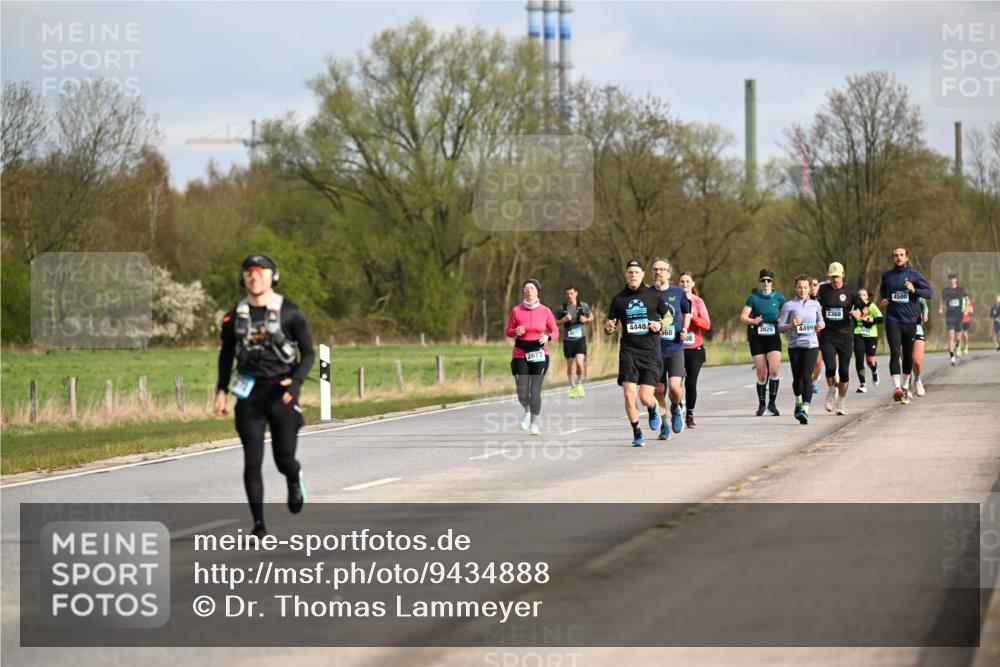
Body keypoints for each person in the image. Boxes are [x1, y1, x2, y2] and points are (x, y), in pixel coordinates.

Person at [216, 253, 315, 538]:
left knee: (284, 460)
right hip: (249, 394)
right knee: (252, 461)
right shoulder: (233, 316)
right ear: (243, 278)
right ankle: (259, 526)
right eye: (249, 272)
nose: (254, 276)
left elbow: (308, 353)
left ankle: (294, 477)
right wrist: (221, 390)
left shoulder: (290, 312)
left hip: (281, 393)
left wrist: (295, 385)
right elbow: (225, 356)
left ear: (273, 276)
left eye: (260, 271)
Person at [605, 259, 669, 447]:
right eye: (630, 272)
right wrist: (608, 328)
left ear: (642, 275)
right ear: (626, 275)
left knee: (645, 397)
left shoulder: (653, 295)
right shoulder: (618, 299)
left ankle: (652, 407)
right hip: (628, 351)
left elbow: (668, 316)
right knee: (628, 395)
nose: (633, 275)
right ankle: (637, 431)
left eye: (636, 272)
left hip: (650, 351)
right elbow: (610, 326)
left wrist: (660, 325)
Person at [879, 247, 933, 405]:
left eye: (901, 255)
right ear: (892, 258)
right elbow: (883, 290)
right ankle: (897, 388)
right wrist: (884, 299)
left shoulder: (914, 274)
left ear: (907, 258)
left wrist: (914, 290)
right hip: (892, 319)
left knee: (909, 356)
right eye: (895, 255)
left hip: (910, 320)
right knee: (895, 352)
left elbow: (929, 293)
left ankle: (906, 384)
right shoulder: (887, 275)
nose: (898, 258)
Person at [505, 278, 559, 436]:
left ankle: (535, 424)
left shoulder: (545, 311)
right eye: (526, 288)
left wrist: (547, 337)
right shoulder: (516, 310)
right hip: (520, 353)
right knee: (522, 391)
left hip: (539, 354)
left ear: (537, 291)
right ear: (523, 291)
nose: (529, 291)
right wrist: (515, 331)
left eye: (532, 288)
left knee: (535, 390)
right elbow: (508, 331)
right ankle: (527, 412)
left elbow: (555, 331)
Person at [817, 262, 868, 415]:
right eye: (832, 277)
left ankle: (841, 402)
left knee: (844, 373)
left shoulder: (851, 292)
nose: (835, 280)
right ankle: (832, 391)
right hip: (828, 335)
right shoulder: (823, 290)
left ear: (843, 275)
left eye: (837, 276)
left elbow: (864, 308)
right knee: (831, 368)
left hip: (845, 335)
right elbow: (813, 303)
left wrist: (860, 313)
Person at [651, 258, 692, 440]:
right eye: (655, 269)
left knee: (675, 388)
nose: (658, 272)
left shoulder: (678, 292)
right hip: (654, 349)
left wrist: (685, 328)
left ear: (669, 273)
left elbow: (687, 312)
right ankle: (664, 424)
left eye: (662, 269)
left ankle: (676, 408)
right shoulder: (647, 293)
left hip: (675, 346)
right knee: (658, 390)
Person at [778, 274, 825, 424]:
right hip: (795, 346)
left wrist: (821, 325)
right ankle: (798, 401)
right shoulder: (789, 305)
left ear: (810, 288)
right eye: (800, 287)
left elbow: (821, 321)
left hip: (811, 345)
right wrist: (791, 325)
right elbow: (780, 327)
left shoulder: (815, 305)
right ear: (795, 288)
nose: (803, 290)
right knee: (797, 380)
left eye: (805, 287)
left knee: (807, 377)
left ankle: (805, 409)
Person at [740, 269, 786, 416]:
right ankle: (761, 404)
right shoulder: (753, 298)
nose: (766, 283)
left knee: (774, 371)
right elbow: (742, 317)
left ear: (772, 282)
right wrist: (753, 320)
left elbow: (787, 313)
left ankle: (772, 403)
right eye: (763, 280)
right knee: (761, 374)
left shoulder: (779, 298)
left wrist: (783, 320)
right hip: (757, 338)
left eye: (769, 280)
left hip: (773, 338)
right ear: (760, 282)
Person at [679, 271, 710, 429]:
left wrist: (693, 318)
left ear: (693, 284)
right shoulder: (673, 299)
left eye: (688, 281)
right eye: (682, 281)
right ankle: (678, 407)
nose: (685, 284)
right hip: (676, 347)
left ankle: (690, 414)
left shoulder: (698, 302)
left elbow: (707, 324)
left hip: (694, 347)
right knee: (676, 382)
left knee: (691, 383)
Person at [554, 286, 593, 398]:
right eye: (567, 294)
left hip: (580, 338)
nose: (569, 295)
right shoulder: (562, 308)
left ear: (576, 293)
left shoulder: (583, 306)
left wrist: (586, 320)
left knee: (580, 363)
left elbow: (591, 316)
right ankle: (572, 387)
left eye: (571, 293)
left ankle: (579, 383)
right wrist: (563, 320)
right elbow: (554, 322)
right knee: (571, 365)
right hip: (568, 340)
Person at [852, 287, 882, 393]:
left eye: (864, 295)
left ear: (867, 296)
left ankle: (874, 371)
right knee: (859, 359)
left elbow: (880, 319)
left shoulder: (872, 306)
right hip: (858, 334)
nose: (861, 297)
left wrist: (870, 319)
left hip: (871, 336)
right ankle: (862, 384)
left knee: (870, 361)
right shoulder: (854, 306)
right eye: (859, 295)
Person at [940, 273, 968, 365]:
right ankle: (952, 357)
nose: (952, 280)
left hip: (959, 315)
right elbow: (942, 300)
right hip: (949, 315)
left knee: (958, 336)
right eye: (950, 279)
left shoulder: (961, 289)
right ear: (949, 280)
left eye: (953, 279)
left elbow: (967, 299)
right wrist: (941, 308)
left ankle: (958, 345)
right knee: (951, 336)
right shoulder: (946, 290)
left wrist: (966, 309)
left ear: (956, 280)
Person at [911, 297, 929, 397]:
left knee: (917, 361)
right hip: (901, 327)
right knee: (906, 360)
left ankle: (917, 380)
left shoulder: (918, 294)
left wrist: (925, 314)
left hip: (917, 327)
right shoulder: (897, 290)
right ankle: (906, 386)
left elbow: (924, 306)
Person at [810, 277, 824, 395]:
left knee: (818, 362)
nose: (812, 287)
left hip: (821, 333)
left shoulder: (824, 299)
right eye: (810, 285)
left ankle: (813, 382)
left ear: (818, 287)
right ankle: (806, 380)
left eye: (815, 284)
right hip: (808, 333)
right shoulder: (804, 299)